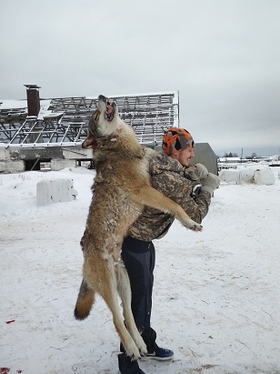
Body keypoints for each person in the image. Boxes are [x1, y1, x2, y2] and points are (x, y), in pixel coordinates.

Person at [118, 127, 220, 374]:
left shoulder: (162, 164)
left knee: (145, 295)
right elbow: (194, 214)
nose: (193, 154)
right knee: (137, 302)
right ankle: (128, 360)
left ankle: (148, 343)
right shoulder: (170, 179)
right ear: (175, 151)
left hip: (142, 241)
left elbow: (180, 175)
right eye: (188, 149)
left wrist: (194, 175)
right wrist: (207, 189)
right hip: (134, 242)